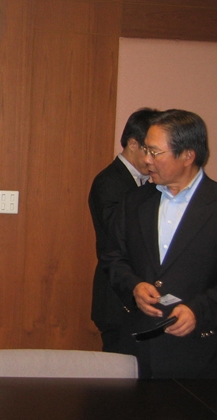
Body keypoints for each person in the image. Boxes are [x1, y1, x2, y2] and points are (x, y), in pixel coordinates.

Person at [103, 109, 217, 378]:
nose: (146, 160)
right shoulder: (135, 201)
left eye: (155, 152)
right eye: (145, 150)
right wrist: (134, 286)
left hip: (200, 352)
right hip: (137, 347)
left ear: (187, 155)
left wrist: (199, 310)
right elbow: (112, 257)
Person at [88, 108, 158, 352]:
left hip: (138, 297)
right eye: (150, 150)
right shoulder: (109, 181)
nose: (153, 159)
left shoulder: (147, 183)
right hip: (116, 298)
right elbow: (120, 234)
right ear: (133, 143)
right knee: (119, 370)